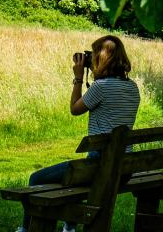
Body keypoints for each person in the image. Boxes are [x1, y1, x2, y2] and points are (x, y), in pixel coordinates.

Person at [15, 35, 140, 232]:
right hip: (123, 168)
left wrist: (79, 78)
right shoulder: (132, 87)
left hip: (99, 167)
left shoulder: (101, 87)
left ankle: (25, 229)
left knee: (36, 179)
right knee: (73, 180)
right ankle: (70, 226)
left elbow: (75, 109)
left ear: (101, 59)